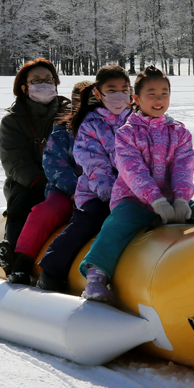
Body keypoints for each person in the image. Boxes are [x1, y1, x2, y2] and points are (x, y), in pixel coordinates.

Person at [77, 65, 194, 301]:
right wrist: (156, 200)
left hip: (173, 201)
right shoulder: (126, 133)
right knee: (117, 225)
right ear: (136, 98)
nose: (159, 100)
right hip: (134, 200)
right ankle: (96, 275)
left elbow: (183, 168)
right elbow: (132, 170)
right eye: (152, 94)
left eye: (164, 93)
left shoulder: (179, 132)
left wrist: (180, 199)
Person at [35, 65, 133, 292]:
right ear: (98, 93)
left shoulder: (137, 122)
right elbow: (95, 165)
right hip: (98, 193)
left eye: (124, 89)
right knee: (89, 219)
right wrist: (112, 196)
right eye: (112, 89)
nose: (119, 95)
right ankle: (52, 269)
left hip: (134, 193)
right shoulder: (89, 125)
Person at [5, 80, 92, 284]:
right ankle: (22, 262)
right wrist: (73, 191)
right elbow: (54, 164)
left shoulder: (109, 130)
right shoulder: (63, 132)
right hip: (65, 193)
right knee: (45, 212)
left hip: (98, 194)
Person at [0, 59, 69, 271]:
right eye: (36, 81)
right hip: (27, 183)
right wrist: (38, 181)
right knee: (23, 203)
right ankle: (12, 252)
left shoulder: (69, 114)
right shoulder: (13, 121)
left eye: (48, 80)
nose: (44, 84)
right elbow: (14, 160)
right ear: (24, 87)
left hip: (65, 180)